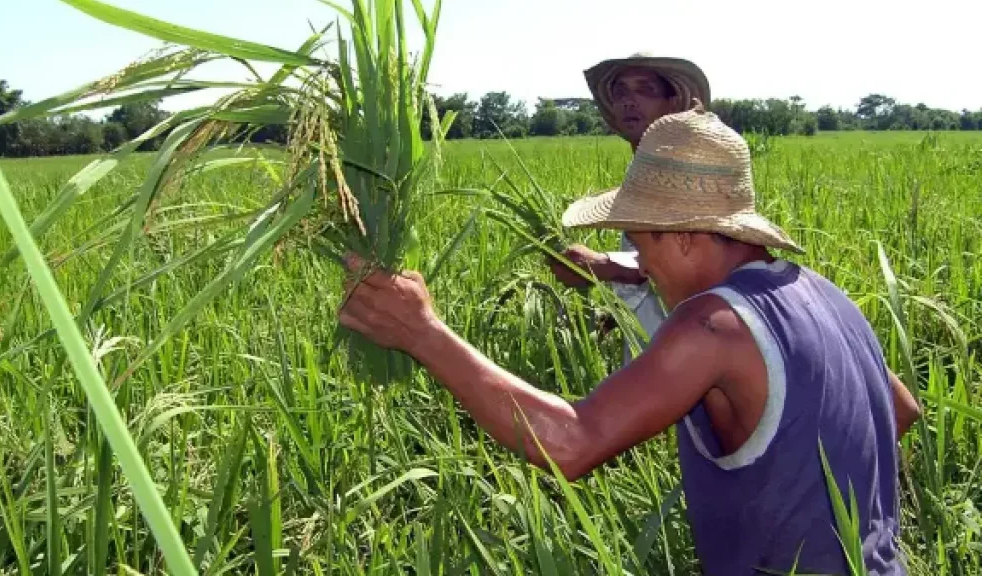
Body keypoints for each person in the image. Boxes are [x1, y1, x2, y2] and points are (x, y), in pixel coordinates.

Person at [337, 105, 922, 574]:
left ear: (687, 238)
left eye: (641, 245)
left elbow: (570, 444)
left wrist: (424, 333)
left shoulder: (711, 325)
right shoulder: (821, 291)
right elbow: (898, 410)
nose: (640, 263)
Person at [548, 53, 712, 360]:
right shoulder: (642, 170)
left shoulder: (691, 171)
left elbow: (689, 258)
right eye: (620, 91)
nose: (628, 100)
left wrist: (602, 265)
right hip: (653, 356)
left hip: (690, 362)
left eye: (645, 89)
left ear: (673, 102)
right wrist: (611, 315)